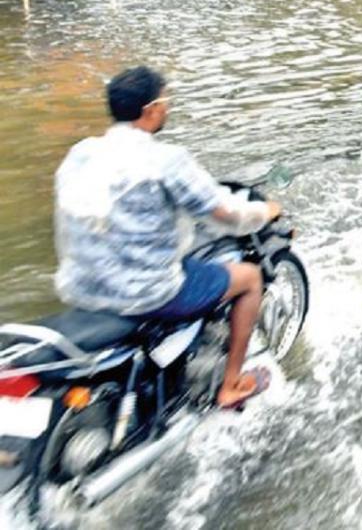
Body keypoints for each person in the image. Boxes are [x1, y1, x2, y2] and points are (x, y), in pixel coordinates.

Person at [54, 66, 281, 409]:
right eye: (165, 101)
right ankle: (231, 385)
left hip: (82, 286)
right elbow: (228, 214)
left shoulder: (81, 153)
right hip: (148, 292)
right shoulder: (165, 160)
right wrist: (266, 212)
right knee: (249, 278)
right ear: (149, 110)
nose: (168, 107)